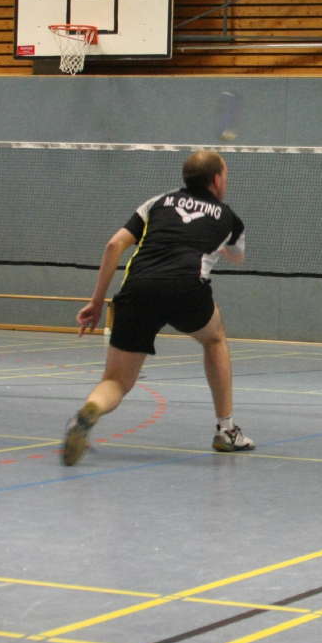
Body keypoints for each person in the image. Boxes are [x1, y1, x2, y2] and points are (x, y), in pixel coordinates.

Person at [62, 150, 253, 464]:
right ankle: (226, 430)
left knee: (116, 381)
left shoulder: (157, 203)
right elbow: (237, 256)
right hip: (186, 290)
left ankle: (88, 412)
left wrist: (96, 302)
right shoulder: (229, 218)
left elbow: (113, 245)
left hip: (137, 290)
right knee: (214, 338)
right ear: (217, 180)